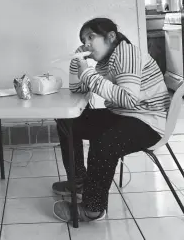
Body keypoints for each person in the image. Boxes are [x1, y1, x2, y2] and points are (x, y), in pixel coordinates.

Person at [52, 18, 171, 223]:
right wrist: (76, 65)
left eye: (91, 37)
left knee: (105, 142)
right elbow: (77, 89)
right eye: (83, 40)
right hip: (125, 115)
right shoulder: (105, 63)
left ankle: (93, 209)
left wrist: (88, 73)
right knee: (67, 121)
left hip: (148, 121)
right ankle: (79, 181)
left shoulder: (126, 53)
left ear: (111, 36)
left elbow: (129, 98)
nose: (86, 43)